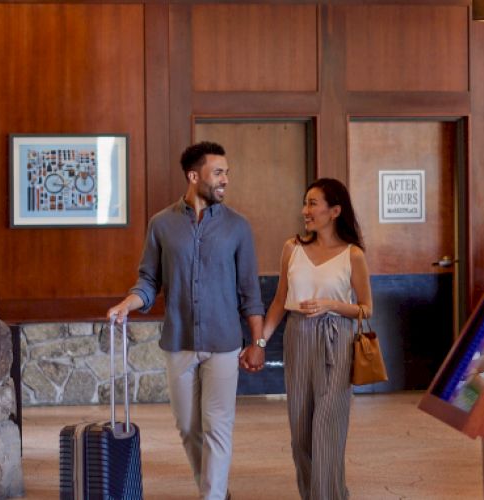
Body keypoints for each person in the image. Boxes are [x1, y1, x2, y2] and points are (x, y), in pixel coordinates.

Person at [108, 142, 264, 500]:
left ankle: (211, 496)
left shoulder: (238, 227)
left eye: (227, 172)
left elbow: (250, 293)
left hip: (224, 344)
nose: (225, 179)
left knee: (217, 427)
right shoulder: (161, 225)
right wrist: (127, 305)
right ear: (195, 176)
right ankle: (218, 491)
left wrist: (257, 343)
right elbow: (148, 280)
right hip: (178, 341)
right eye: (218, 172)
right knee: (188, 427)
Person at [259, 179, 373, 499]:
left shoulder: (353, 255)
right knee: (301, 434)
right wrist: (260, 343)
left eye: (313, 204)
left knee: (327, 429)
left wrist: (331, 305)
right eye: (305, 203)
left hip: (338, 339)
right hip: (298, 337)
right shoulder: (291, 249)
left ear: (335, 211)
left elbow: (367, 308)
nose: (305, 210)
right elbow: (280, 300)